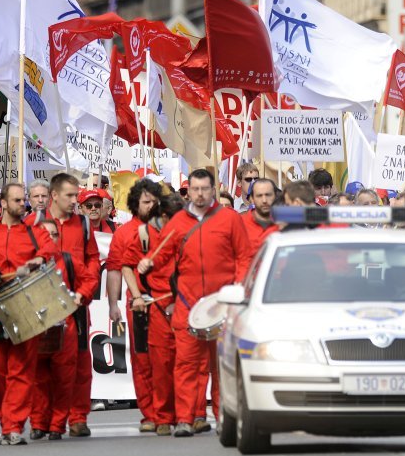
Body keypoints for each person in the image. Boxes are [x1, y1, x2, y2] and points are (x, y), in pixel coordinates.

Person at [139, 168, 251, 437]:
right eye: (195, 189)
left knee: (223, 368)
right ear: (188, 191)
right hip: (189, 305)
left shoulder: (229, 219)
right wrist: (149, 262)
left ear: (213, 189)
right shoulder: (178, 222)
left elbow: (244, 258)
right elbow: (162, 257)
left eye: (205, 189)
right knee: (186, 365)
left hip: (223, 305)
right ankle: (186, 419)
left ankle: (226, 416)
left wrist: (236, 290)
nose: (200, 194)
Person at [0, 183, 64, 445]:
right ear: (4, 203)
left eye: (24, 200)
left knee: (22, 370)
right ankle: (7, 422)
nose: (23, 205)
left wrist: (39, 260)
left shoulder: (33, 231)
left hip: (26, 306)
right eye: (18, 200)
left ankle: (13, 426)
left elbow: (51, 249)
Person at [29, 173, 101, 437]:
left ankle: (78, 417)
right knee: (41, 368)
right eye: (70, 195)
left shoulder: (83, 225)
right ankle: (41, 421)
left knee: (80, 367)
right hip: (42, 308)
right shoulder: (33, 223)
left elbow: (93, 262)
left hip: (76, 307)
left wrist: (84, 292)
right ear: (55, 195)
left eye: (76, 195)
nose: (75, 200)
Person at [105, 179, 164, 434]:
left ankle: (166, 412)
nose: (151, 206)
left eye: (154, 201)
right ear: (135, 204)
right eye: (146, 202)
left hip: (165, 303)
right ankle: (149, 413)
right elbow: (115, 270)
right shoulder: (123, 233)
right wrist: (113, 303)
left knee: (164, 359)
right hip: (138, 305)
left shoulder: (166, 228)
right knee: (142, 359)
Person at [241, 178, 279, 258]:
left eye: (268, 195)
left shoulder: (285, 224)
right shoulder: (240, 225)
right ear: (251, 199)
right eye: (259, 196)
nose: (264, 200)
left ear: (275, 196)